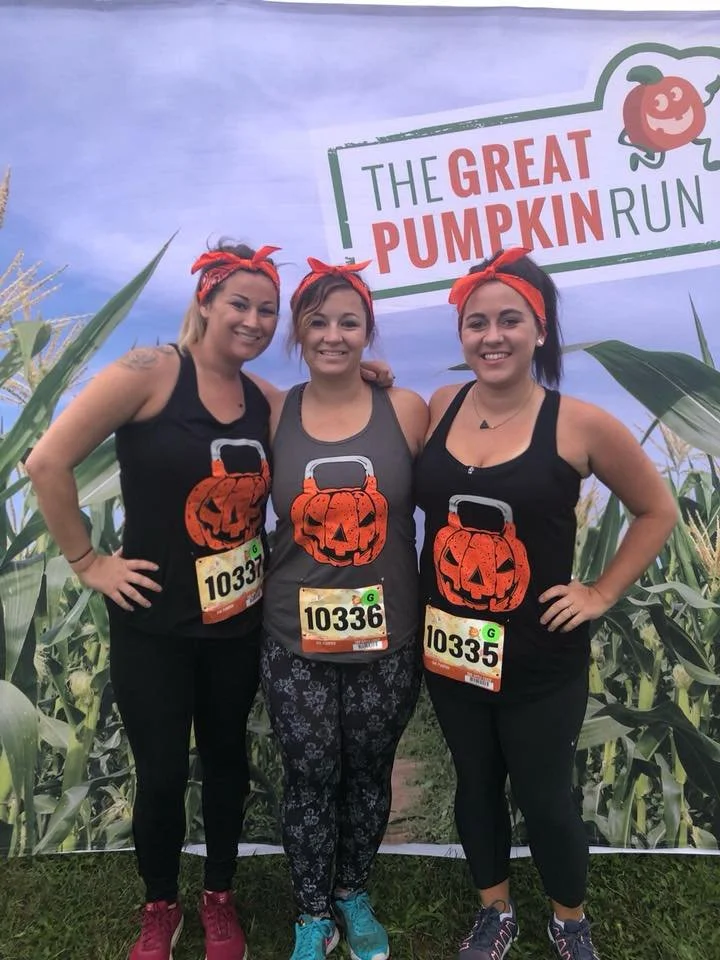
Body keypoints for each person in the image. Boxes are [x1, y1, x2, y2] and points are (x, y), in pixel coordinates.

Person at [25, 241, 392, 960]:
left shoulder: (267, 399)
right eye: (240, 304)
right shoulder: (151, 373)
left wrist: (362, 376)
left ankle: (219, 898)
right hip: (154, 623)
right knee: (161, 771)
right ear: (205, 301)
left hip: (236, 623)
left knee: (227, 761)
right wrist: (88, 561)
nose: (254, 321)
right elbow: (46, 461)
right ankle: (160, 904)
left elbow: (329, 406)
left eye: (266, 310)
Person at [415, 247, 677, 960]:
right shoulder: (439, 407)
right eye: (476, 323)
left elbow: (657, 510)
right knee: (476, 784)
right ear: (462, 335)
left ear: (538, 332)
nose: (491, 336)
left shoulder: (580, 424)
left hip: (538, 657)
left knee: (545, 794)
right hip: (451, 650)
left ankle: (568, 916)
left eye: (509, 321)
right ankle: (494, 910)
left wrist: (600, 591)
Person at [260, 258, 429, 960]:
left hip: (387, 635)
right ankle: (310, 912)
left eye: (348, 322)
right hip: (293, 633)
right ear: (298, 331)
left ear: (368, 332)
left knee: (367, 770)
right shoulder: (273, 409)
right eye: (317, 321)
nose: (333, 335)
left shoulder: (409, 410)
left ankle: (352, 892)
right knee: (307, 770)